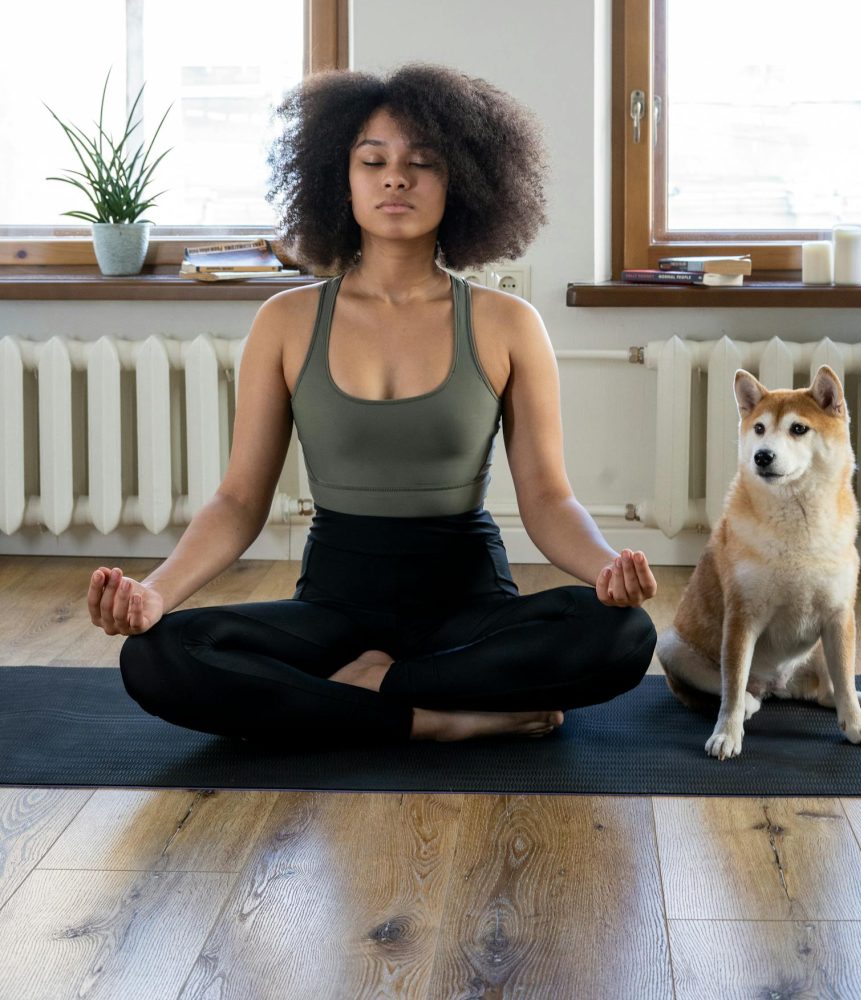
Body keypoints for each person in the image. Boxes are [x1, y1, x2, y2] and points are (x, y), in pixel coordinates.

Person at [87, 63, 658, 747]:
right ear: (339, 178)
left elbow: (546, 499)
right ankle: (432, 717)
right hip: (333, 607)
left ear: (464, 182)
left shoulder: (508, 323)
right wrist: (155, 594)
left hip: (467, 606)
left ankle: (366, 694)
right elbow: (239, 501)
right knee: (158, 655)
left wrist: (603, 571)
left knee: (622, 633)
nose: (396, 178)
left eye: (422, 163)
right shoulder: (286, 321)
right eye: (373, 161)